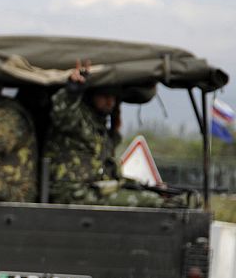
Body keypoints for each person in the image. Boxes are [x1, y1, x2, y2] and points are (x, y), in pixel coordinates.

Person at [44, 60, 194, 207]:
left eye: (113, 97)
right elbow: (62, 113)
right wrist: (72, 91)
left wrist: (146, 186)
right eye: (104, 96)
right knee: (157, 203)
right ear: (91, 95)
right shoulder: (78, 119)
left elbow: (109, 173)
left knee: (157, 196)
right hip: (73, 193)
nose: (110, 101)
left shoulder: (100, 128)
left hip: (93, 190)